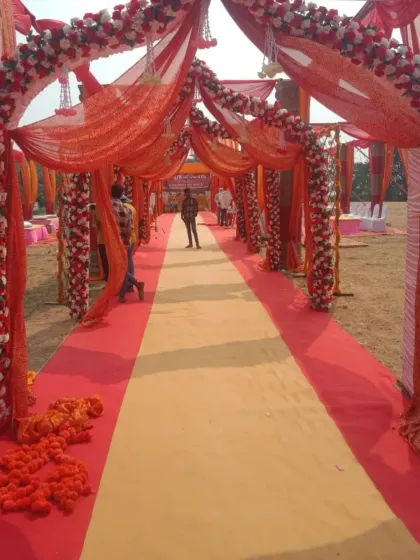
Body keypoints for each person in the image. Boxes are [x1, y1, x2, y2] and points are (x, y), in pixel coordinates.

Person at [111, 184, 144, 303]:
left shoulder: (109, 206)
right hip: (126, 242)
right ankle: (124, 292)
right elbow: (130, 228)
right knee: (125, 267)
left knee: (120, 269)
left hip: (114, 243)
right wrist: (126, 242)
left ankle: (131, 287)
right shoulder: (127, 209)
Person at [122, 194, 137, 292]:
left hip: (126, 238)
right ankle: (130, 285)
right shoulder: (132, 208)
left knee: (123, 264)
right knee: (130, 261)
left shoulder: (124, 208)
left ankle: (132, 282)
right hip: (132, 236)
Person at [93, 204, 109, 281]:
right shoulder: (109, 206)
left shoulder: (97, 209)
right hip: (110, 239)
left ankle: (108, 279)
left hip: (102, 240)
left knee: (105, 262)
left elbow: (97, 225)